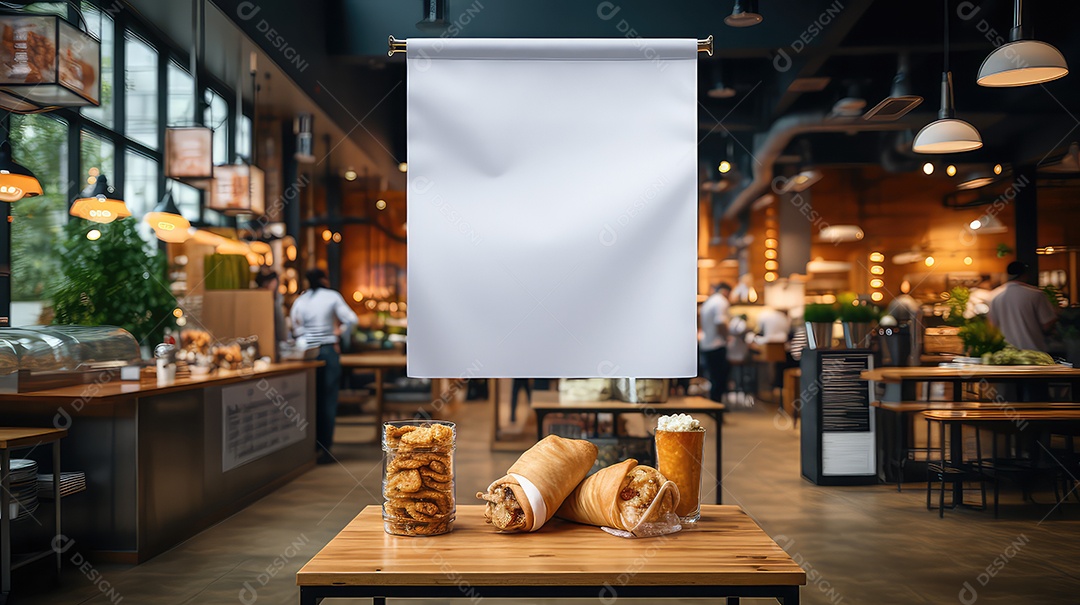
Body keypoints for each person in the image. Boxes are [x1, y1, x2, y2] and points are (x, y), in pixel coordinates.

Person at [290, 268, 358, 463]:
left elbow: (295, 328)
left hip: (306, 354)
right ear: (323, 279)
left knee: (309, 401)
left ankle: (308, 447)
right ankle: (324, 449)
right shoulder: (332, 296)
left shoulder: (301, 300)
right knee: (328, 401)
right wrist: (339, 333)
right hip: (327, 351)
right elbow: (353, 320)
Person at [988, 262, 1057, 352]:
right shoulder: (1036, 295)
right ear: (1025, 274)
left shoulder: (994, 296)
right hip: (1034, 352)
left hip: (1006, 353)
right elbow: (1047, 325)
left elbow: (992, 327)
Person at [699, 282, 732, 403]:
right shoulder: (721, 301)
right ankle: (717, 409)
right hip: (716, 345)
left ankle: (714, 408)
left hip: (706, 344)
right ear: (726, 291)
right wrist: (726, 337)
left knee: (713, 378)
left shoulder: (709, 301)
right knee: (719, 380)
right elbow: (720, 322)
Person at [255, 270, 288, 359]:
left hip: (262, 348)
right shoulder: (273, 301)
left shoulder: (254, 299)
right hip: (271, 348)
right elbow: (281, 331)